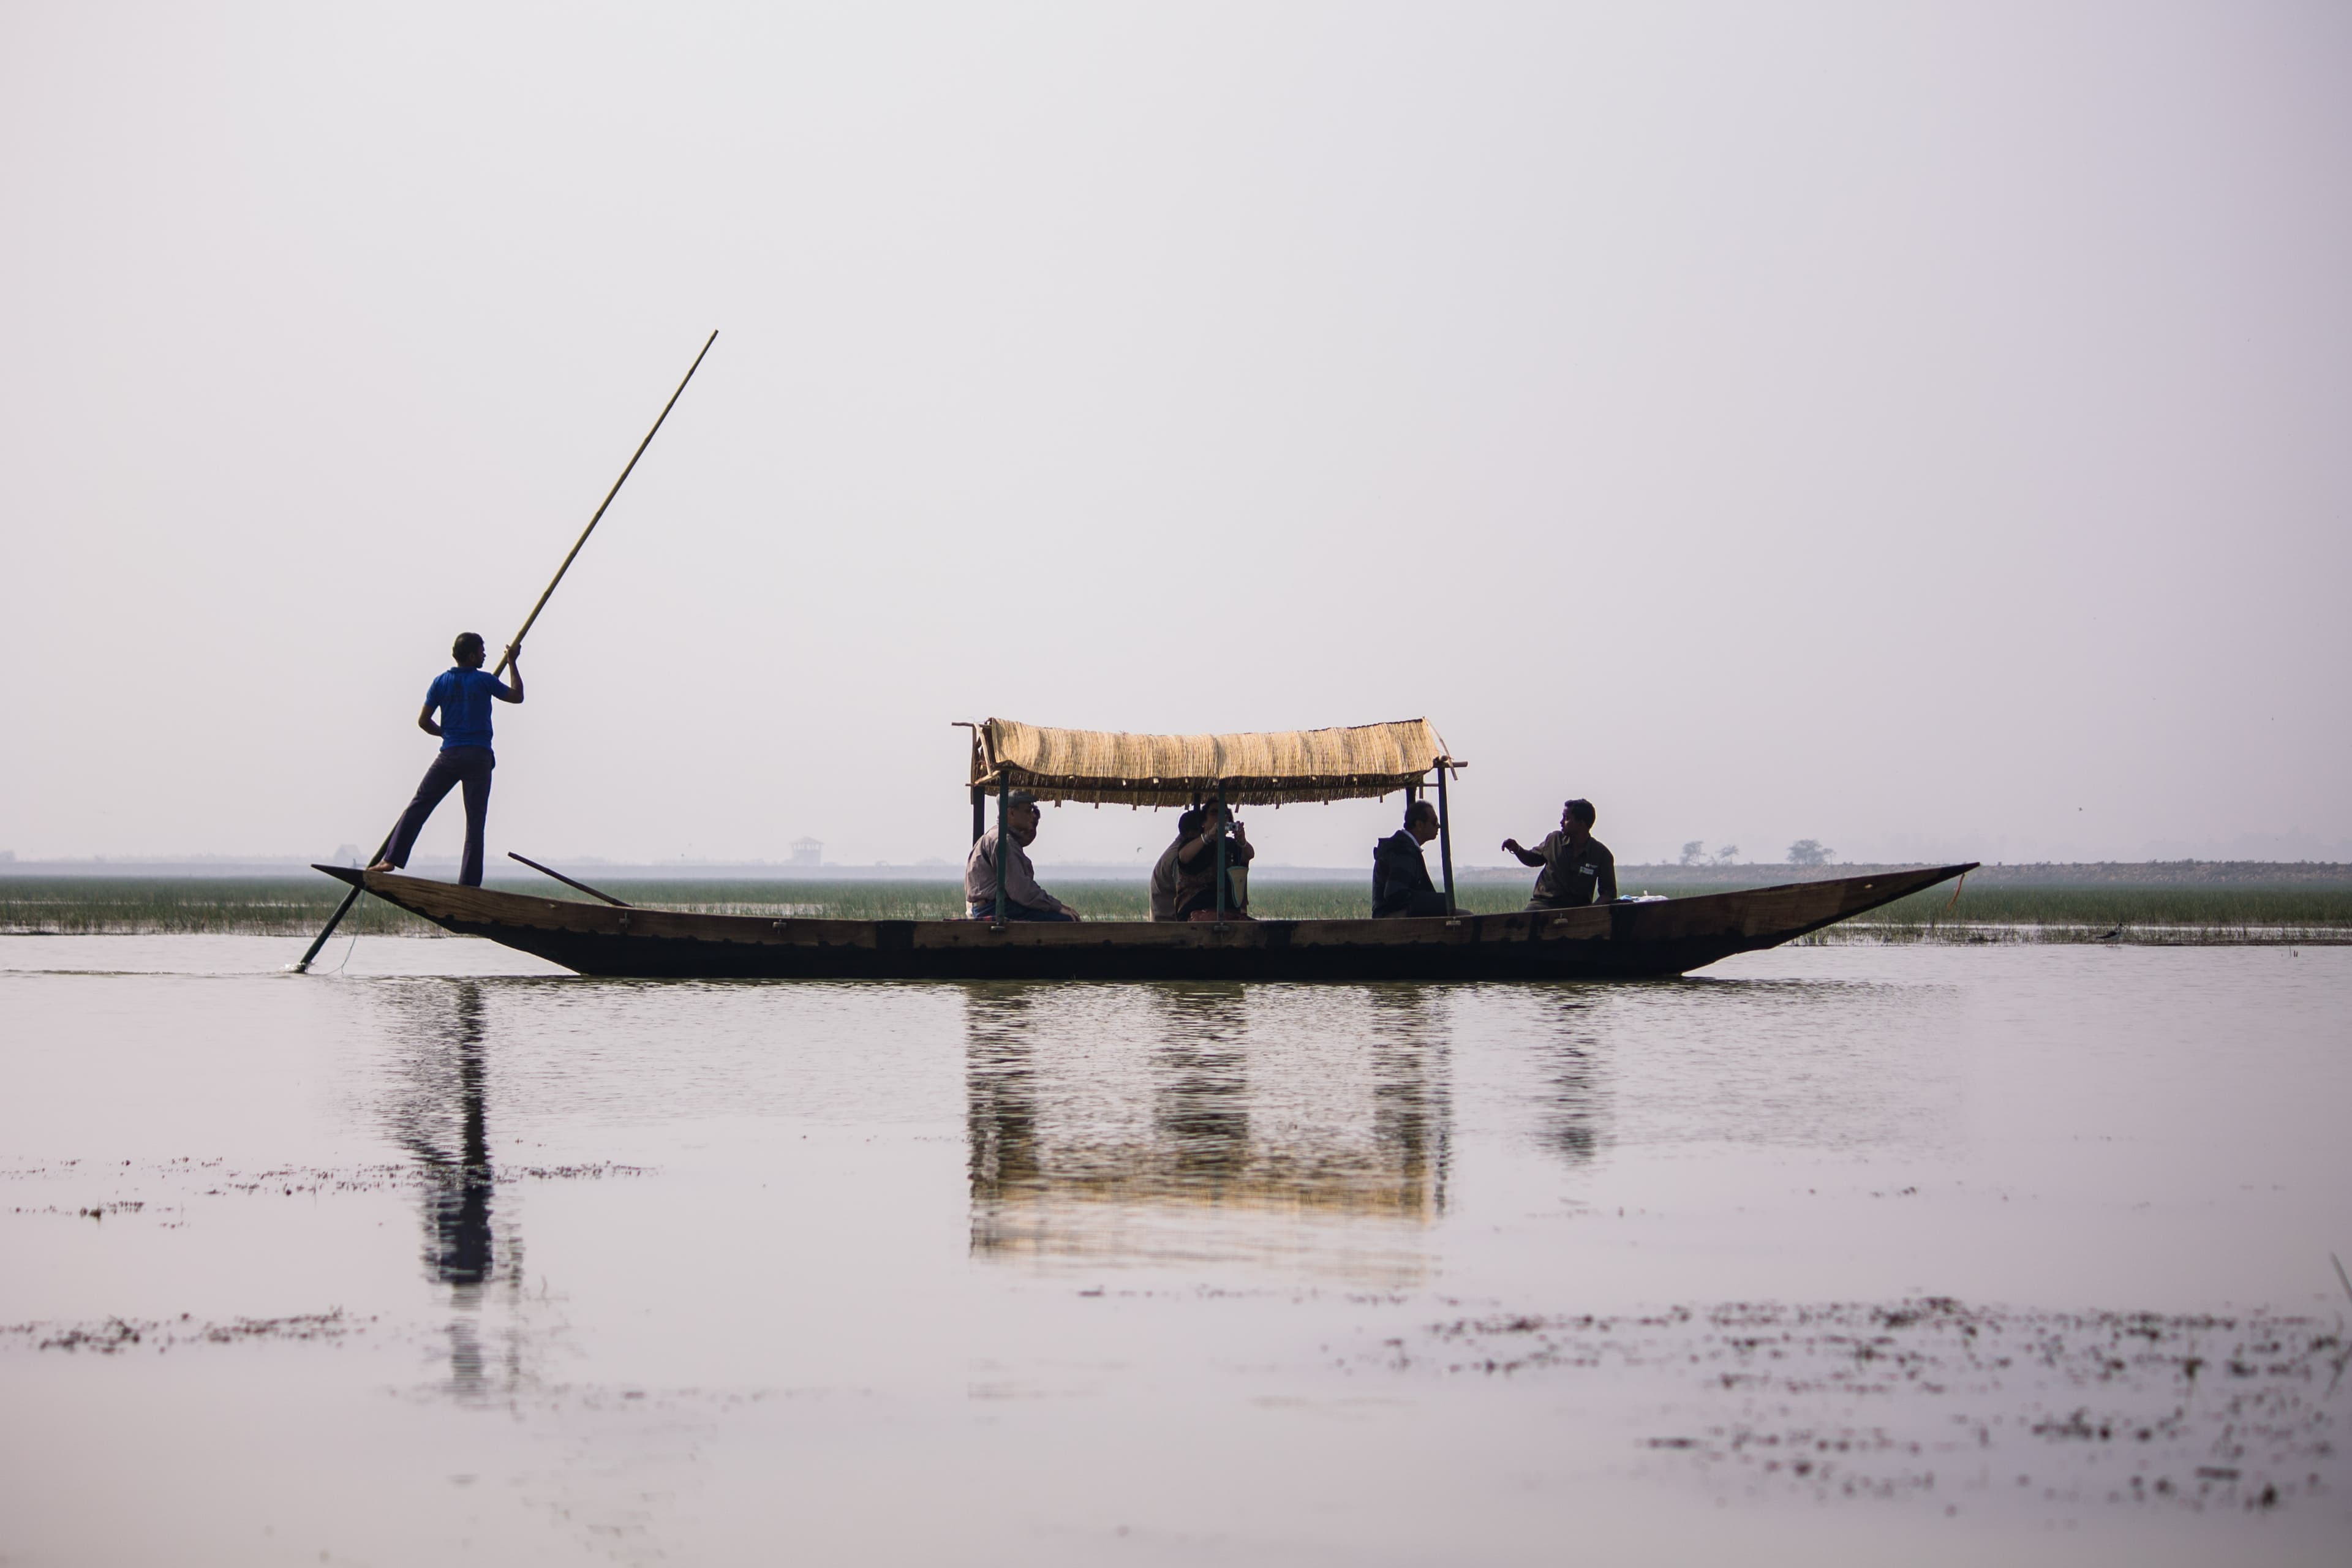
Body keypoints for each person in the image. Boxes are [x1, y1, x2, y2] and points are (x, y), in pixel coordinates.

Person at [372, 632, 523, 887]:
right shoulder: (484, 681)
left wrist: (446, 732)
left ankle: (391, 860)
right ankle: (469, 884)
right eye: (482, 651)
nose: (485, 655)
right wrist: (512, 662)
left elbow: (423, 722)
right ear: (472, 655)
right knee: (475, 823)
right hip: (478, 758)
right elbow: (517, 696)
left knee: (419, 806)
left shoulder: (441, 682)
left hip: (450, 755)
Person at [966, 791, 1082, 921]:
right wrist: (1057, 907)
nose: (1032, 816)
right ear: (1011, 813)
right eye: (1027, 811)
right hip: (996, 908)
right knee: (1066, 920)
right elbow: (1021, 890)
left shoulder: (998, 836)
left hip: (990, 906)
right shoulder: (1004, 841)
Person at [1502, 797, 1618, 910]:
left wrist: (1590, 911)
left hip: (1577, 911)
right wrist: (1517, 849)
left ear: (1581, 824)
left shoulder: (1602, 855)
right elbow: (1532, 859)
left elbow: (1609, 893)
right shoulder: (1554, 840)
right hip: (1543, 905)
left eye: (1567, 818)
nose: (1561, 822)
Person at [1172, 804, 1254, 921]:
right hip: (1195, 910)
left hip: (1228, 911)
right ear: (1203, 821)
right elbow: (1184, 856)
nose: (1221, 817)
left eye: (1225, 814)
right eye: (1214, 813)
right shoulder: (1194, 843)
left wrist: (1242, 841)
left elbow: (1249, 855)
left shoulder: (1231, 845)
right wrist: (1209, 836)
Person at [1372, 799, 1449, 918]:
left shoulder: (1403, 847)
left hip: (1386, 916)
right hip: (1389, 919)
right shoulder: (1403, 850)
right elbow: (1395, 893)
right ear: (1419, 825)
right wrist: (1438, 902)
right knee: (1458, 914)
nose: (1438, 826)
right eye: (1434, 823)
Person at [1150, 808, 1208, 921]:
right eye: (1202, 833)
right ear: (1192, 833)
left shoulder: (1175, 850)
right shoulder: (1177, 857)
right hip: (1168, 924)